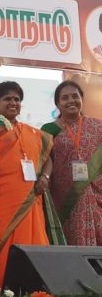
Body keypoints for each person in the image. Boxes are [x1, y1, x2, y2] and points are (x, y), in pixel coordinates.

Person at [0, 49, 52, 296]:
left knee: (35, 254)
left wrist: (45, 177)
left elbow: (49, 157)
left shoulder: (32, 132)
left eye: (17, 99)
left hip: (29, 204)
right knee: (4, 253)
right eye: (7, 99)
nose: (13, 103)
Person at [42, 81, 102, 245]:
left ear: (82, 99)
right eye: (65, 98)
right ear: (58, 104)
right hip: (64, 197)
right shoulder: (48, 130)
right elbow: (45, 160)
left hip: (97, 193)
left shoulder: (98, 127)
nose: (71, 101)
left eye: (75, 96)